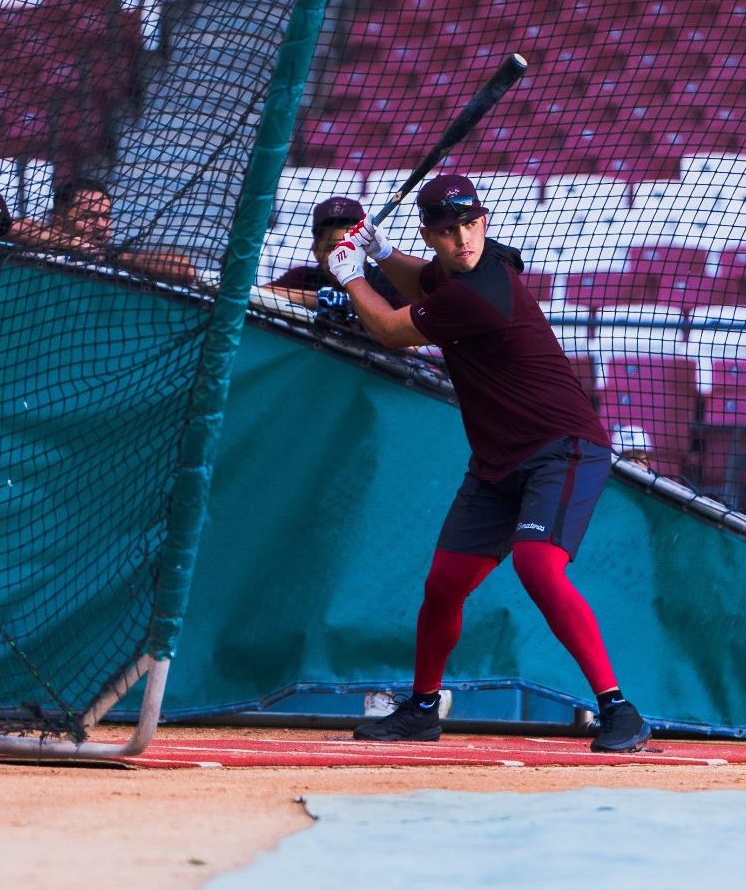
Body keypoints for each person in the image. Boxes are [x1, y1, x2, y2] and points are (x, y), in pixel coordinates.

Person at [326, 173, 651, 753]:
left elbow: (388, 328)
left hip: (562, 448)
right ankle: (423, 709)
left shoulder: (479, 290)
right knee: (444, 585)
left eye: (469, 225)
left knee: (537, 566)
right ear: (431, 236)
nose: (462, 239)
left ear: (484, 222)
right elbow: (416, 278)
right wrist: (378, 252)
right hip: (497, 463)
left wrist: (349, 273)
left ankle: (618, 709)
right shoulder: (452, 275)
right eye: (447, 231)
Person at [9, 177, 195, 285]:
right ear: (58, 220)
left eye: (106, 217)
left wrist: (113, 256)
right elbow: (6, 225)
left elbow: (185, 270)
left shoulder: (114, 257)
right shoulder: (37, 245)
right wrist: (73, 244)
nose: (100, 225)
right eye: (88, 216)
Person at [262, 196, 402, 311]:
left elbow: (416, 341)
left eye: (351, 246)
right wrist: (321, 299)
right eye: (332, 248)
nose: (343, 256)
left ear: (366, 248)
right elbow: (257, 294)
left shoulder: (388, 284)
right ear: (316, 252)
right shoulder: (305, 278)